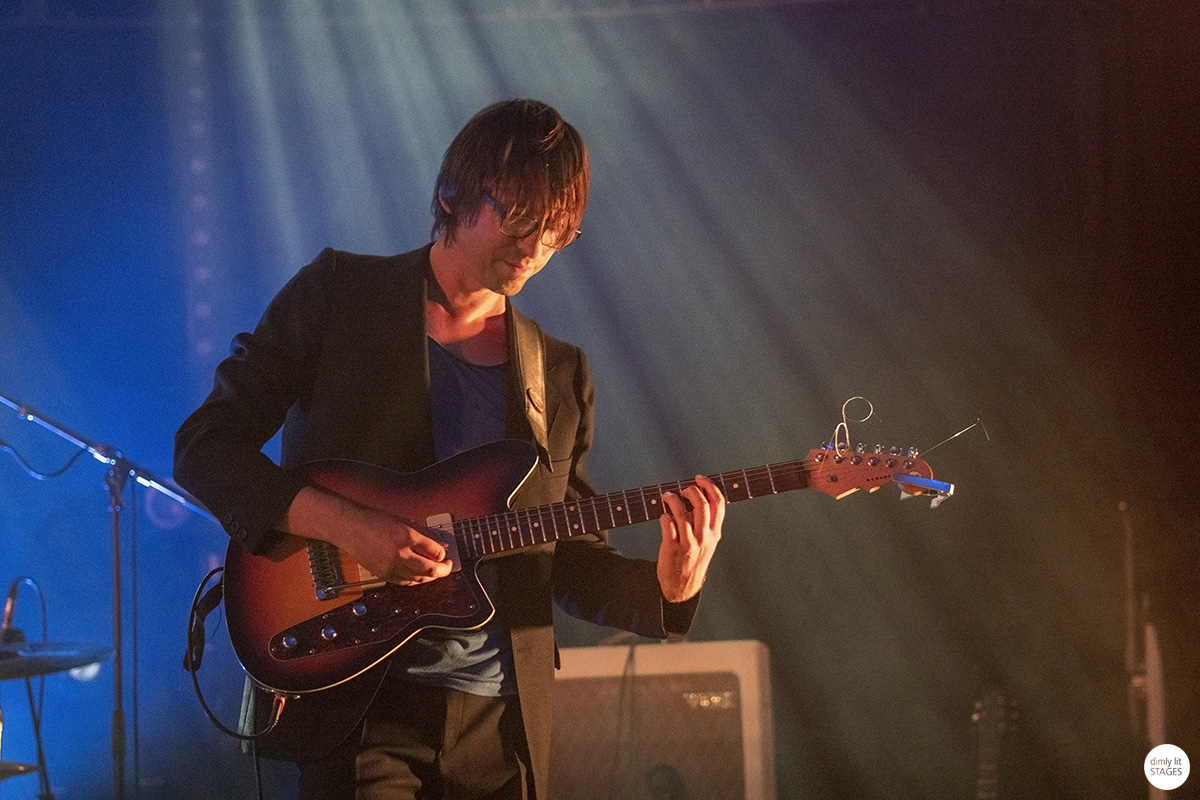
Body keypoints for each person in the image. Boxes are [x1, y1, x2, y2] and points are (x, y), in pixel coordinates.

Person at [174, 98, 725, 800]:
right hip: (361, 704)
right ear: (451, 194)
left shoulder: (559, 375)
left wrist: (669, 590)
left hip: (500, 724)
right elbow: (204, 446)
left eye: (557, 233)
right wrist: (350, 527)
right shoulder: (340, 296)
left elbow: (565, 562)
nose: (534, 249)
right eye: (520, 220)